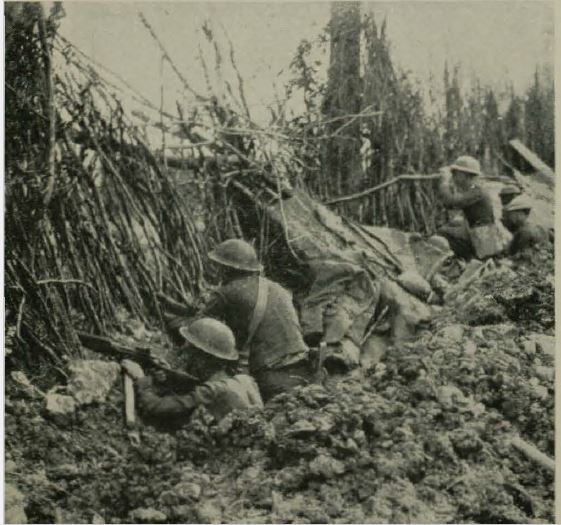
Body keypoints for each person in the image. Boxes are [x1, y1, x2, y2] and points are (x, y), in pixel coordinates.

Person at [163, 239, 315, 402]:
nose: (216, 271)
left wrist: (167, 319)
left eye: (218, 266)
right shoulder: (278, 288)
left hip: (270, 374)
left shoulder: (227, 292)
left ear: (226, 268)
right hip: (304, 366)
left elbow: (196, 327)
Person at [121, 317, 263, 426]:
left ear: (202, 358)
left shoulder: (211, 391)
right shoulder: (244, 380)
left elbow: (154, 407)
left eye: (189, 351)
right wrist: (168, 381)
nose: (184, 354)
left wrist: (140, 378)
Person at [437, 155, 503, 259]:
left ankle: (468, 259)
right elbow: (450, 204)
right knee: (452, 225)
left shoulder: (477, 192)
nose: (453, 176)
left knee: (442, 233)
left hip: (484, 242)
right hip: (481, 237)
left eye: (455, 173)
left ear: (465, 175)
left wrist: (444, 182)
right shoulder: (474, 190)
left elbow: (451, 203)